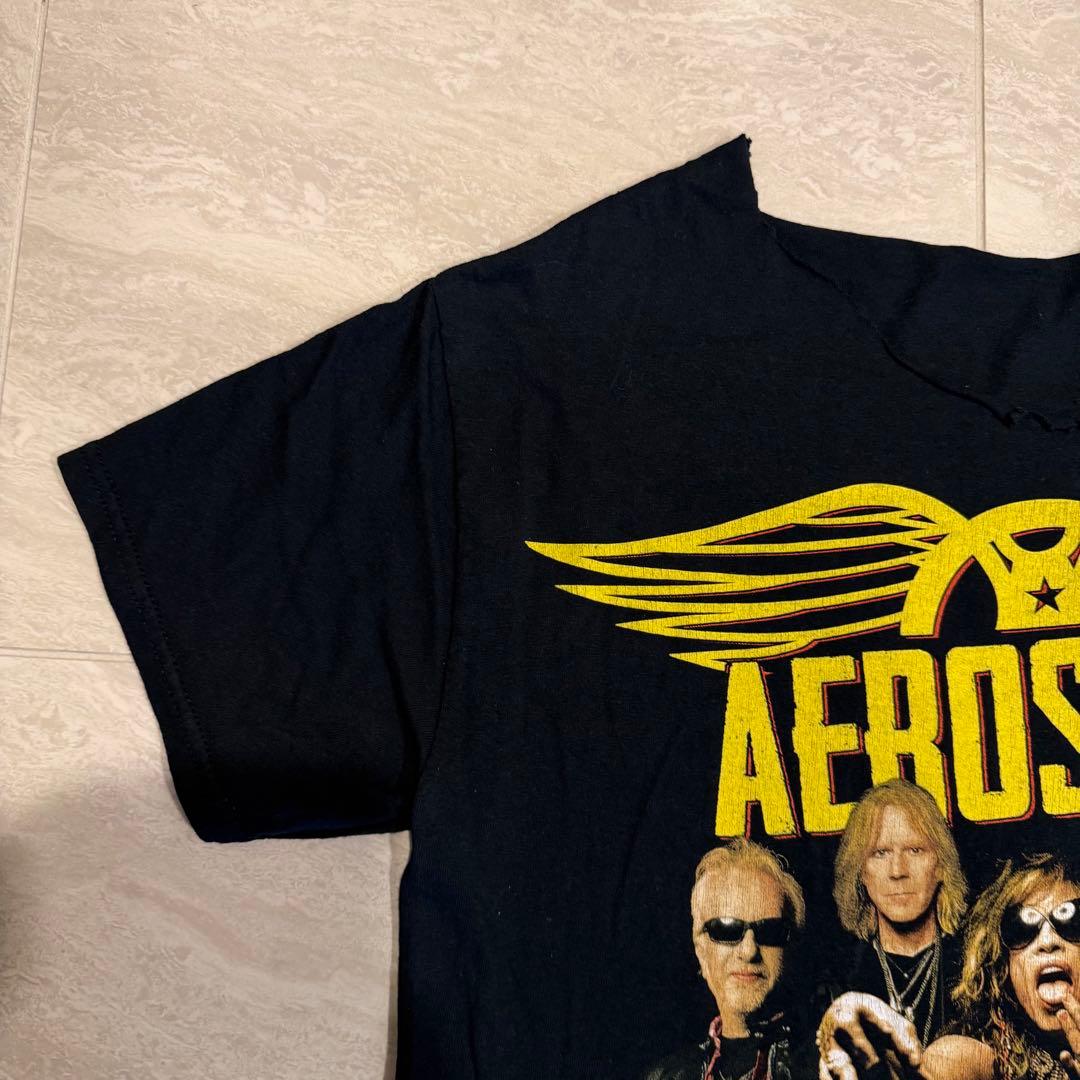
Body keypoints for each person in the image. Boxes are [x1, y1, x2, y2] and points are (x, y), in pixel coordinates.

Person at [816, 852, 1080, 1079]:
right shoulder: (980, 1057)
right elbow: (933, 1069)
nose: (1048, 941)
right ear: (1003, 965)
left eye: (1071, 922)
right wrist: (866, 1043)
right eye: (1021, 928)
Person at [643, 838, 810, 1080]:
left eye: (770, 931)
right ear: (701, 951)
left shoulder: (832, 1064)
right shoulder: (665, 1076)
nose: (749, 950)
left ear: (790, 949)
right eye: (726, 929)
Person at [823, 779, 968, 1047]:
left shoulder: (973, 967)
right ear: (861, 872)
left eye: (915, 850)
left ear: (940, 866)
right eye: (880, 853)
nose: (898, 871)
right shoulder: (838, 979)